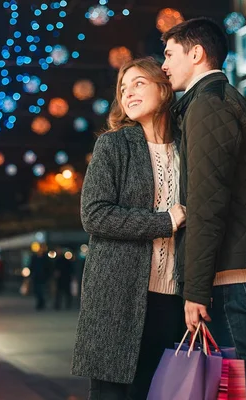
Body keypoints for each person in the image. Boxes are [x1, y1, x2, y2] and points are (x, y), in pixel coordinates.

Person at [161, 18, 246, 400]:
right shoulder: (224, 100)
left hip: (232, 278)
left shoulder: (206, 107)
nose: (163, 66)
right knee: (243, 385)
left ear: (195, 54)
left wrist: (195, 291)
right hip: (242, 271)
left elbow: (207, 205)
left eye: (169, 54)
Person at [71, 57, 187, 400]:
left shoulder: (187, 148)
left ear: (164, 89)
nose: (128, 93)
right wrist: (164, 221)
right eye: (123, 88)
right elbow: (94, 214)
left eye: (138, 83)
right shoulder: (114, 145)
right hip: (117, 297)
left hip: (172, 299)